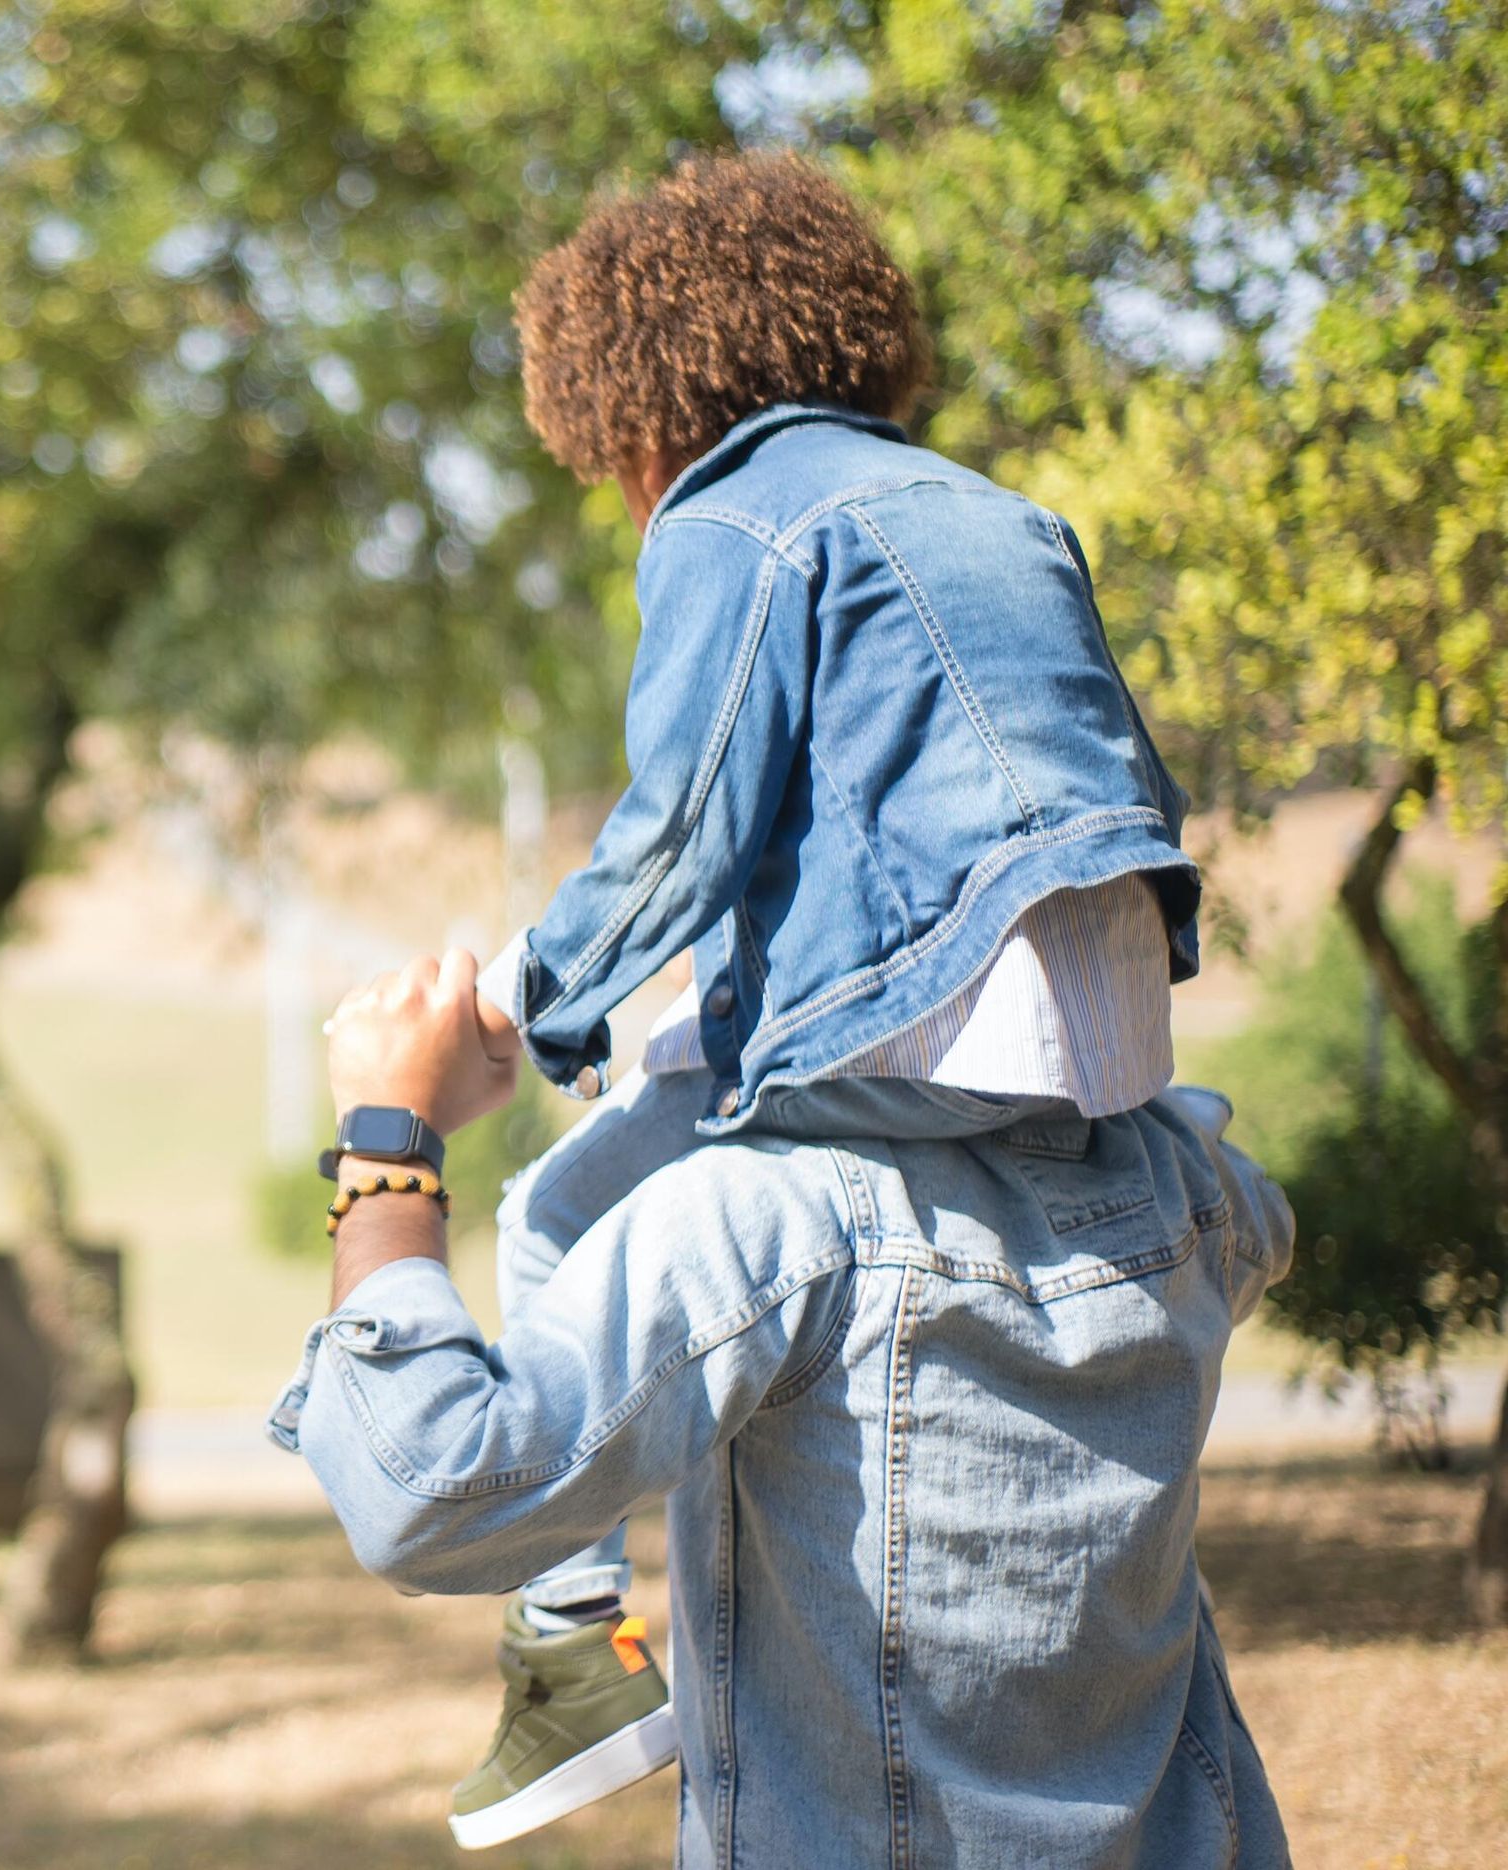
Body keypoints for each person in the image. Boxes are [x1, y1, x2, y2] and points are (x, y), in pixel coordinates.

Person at [379, 149, 1201, 1845]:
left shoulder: (735, 517)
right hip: (1096, 1042)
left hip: (912, 1028)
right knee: (670, 1093)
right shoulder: (1003, 515)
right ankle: (573, 1656)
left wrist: (530, 1011)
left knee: (560, 1202)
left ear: (638, 410)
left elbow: (686, 816)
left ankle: (567, 1654)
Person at [270, 950, 1295, 1868]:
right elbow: (1264, 1220)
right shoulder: (1185, 1183)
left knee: (547, 1208)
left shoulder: (766, 1214)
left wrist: (385, 1140)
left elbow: (430, 1485)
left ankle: (567, 1630)